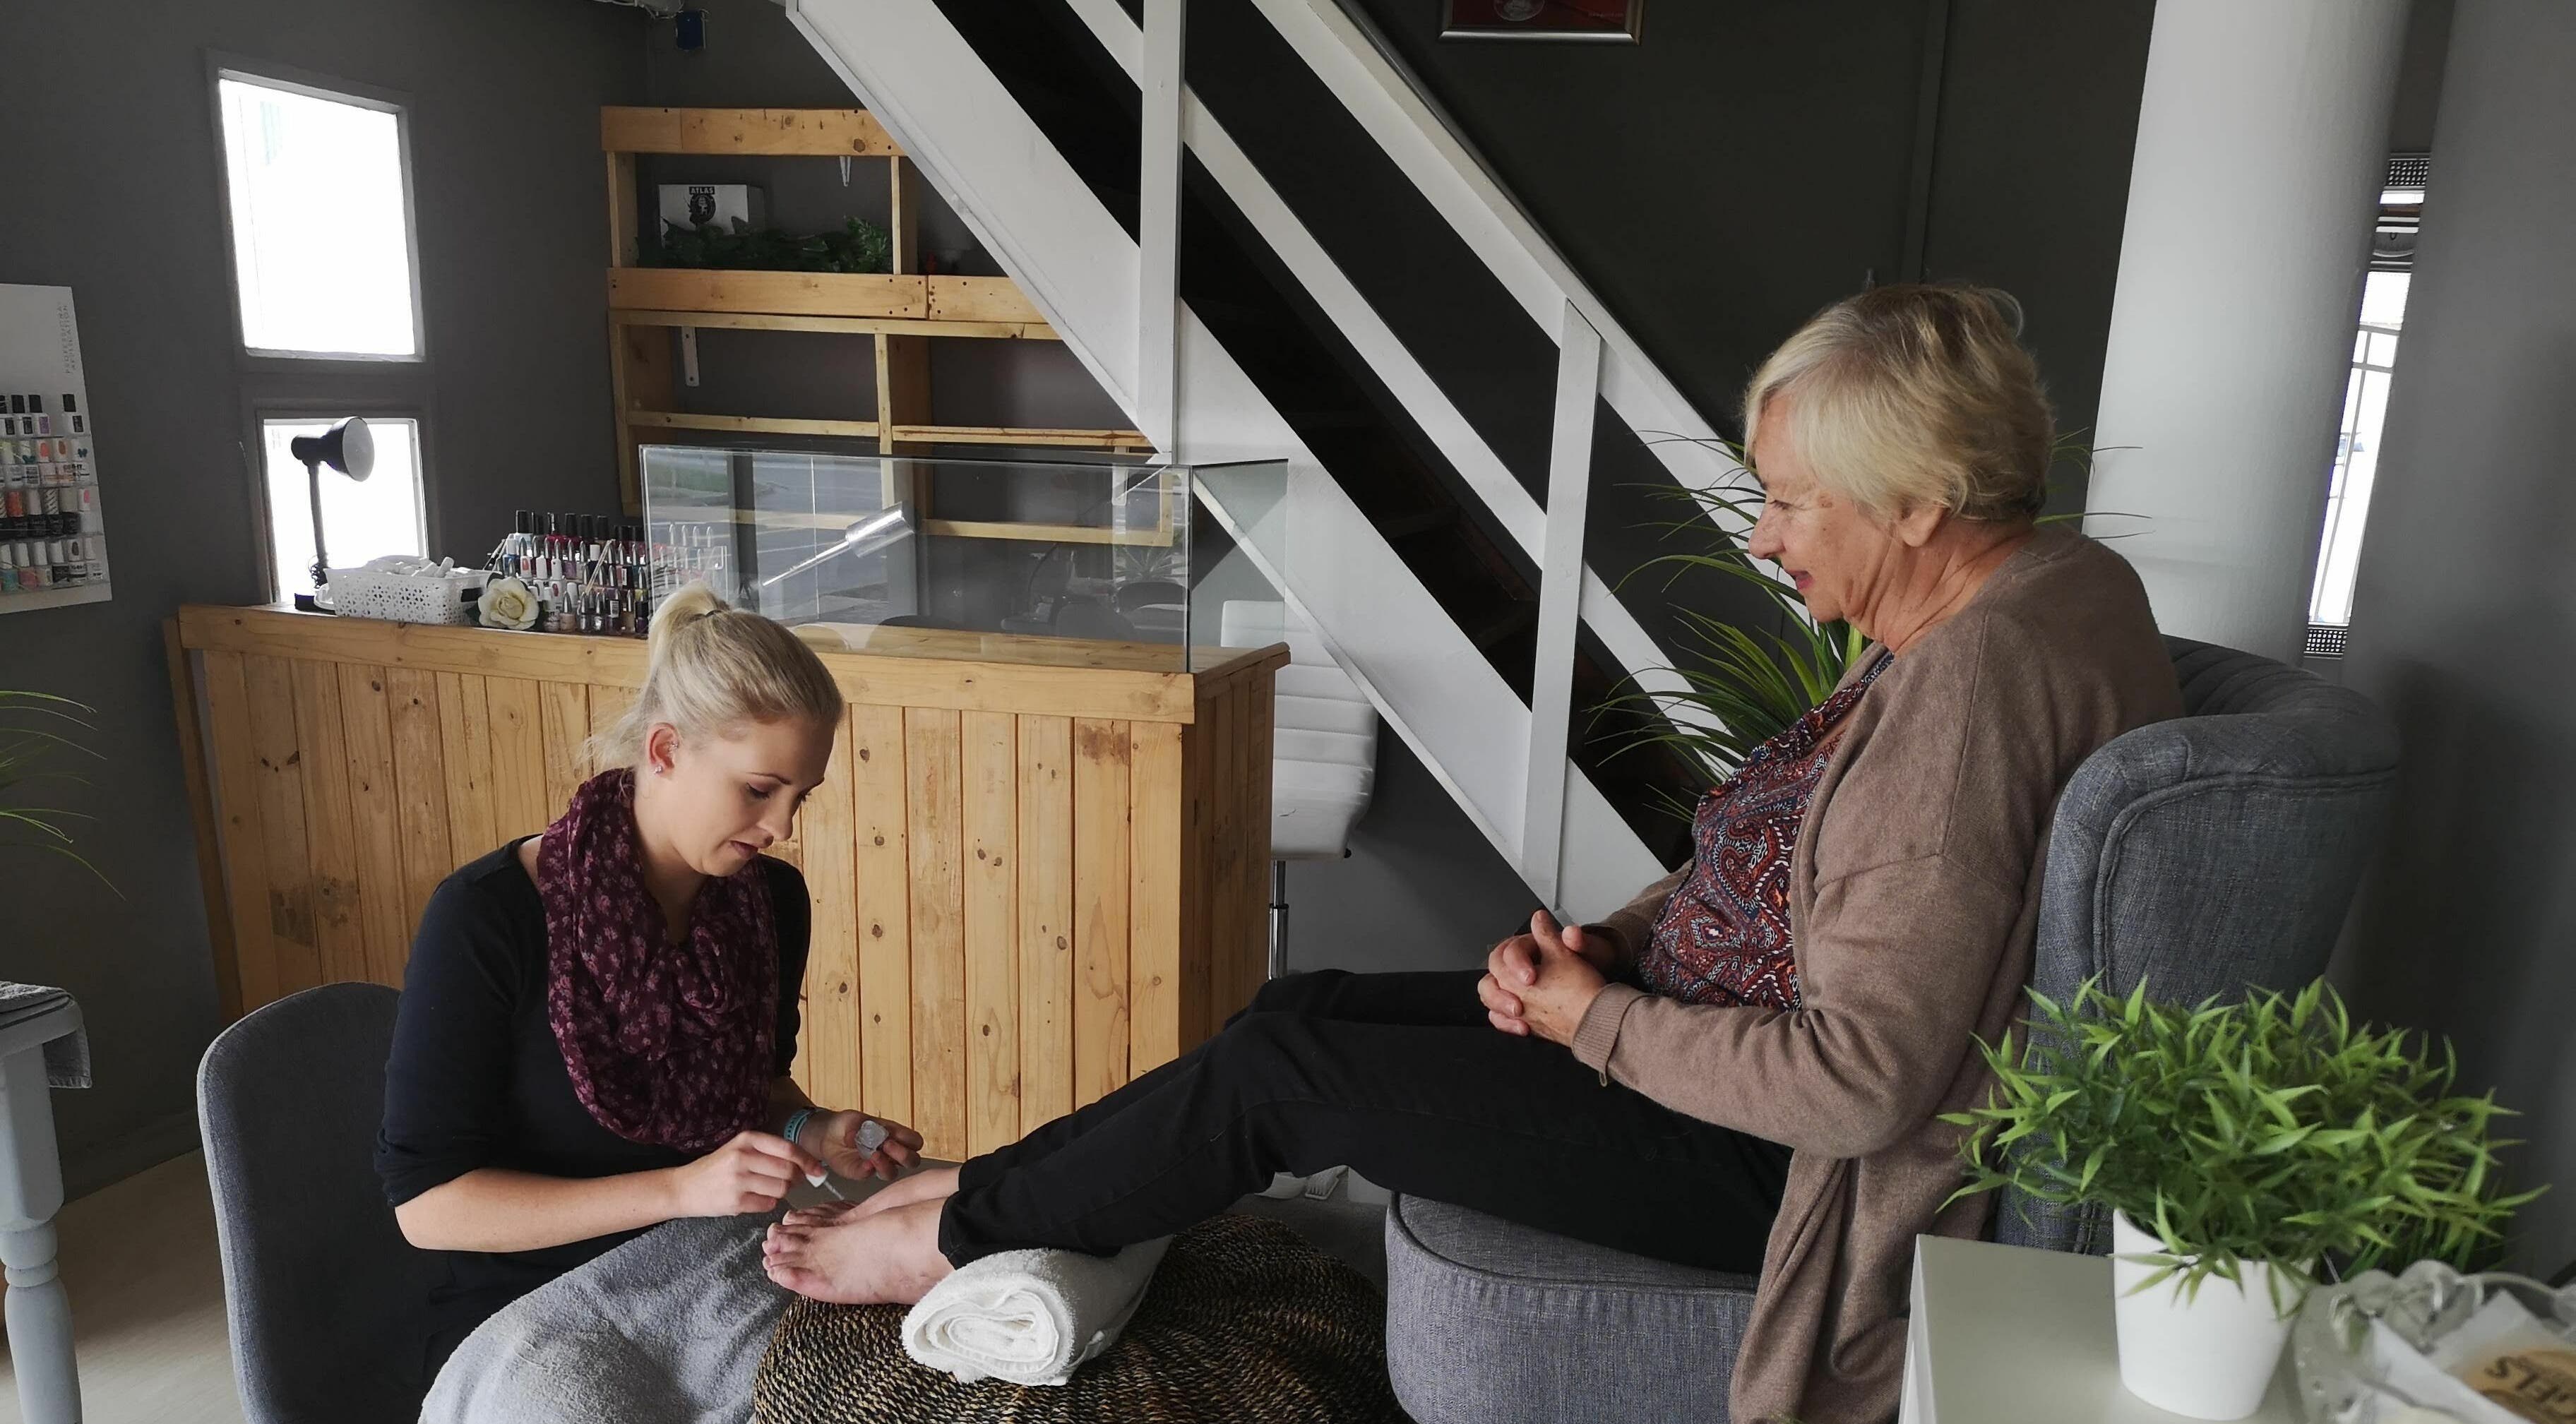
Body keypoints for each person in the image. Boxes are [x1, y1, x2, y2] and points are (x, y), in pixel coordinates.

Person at [759, 284, 2184, 1423]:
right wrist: (1617, 945)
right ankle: (995, 1186)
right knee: (1298, 1011)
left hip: (1762, 1156)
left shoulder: (1964, 704)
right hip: (1685, 1030)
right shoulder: (2030, 596)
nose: (1763, 538)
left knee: (1283, 1076)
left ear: (1926, 502)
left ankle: (949, 1236)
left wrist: (1594, 1019)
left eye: (1798, 501)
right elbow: (1795, 866)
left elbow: (1862, 1083)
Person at [376, 582, 924, 1381]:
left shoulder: (770, 901)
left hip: (715, 1269)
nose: (782, 828)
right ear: (665, 751)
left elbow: (760, 1090)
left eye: (801, 796)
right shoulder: (488, 918)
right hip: (533, 1312)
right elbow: (429, 1207)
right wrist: (675, 1190)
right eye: (759, 789)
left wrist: (812, 1128)